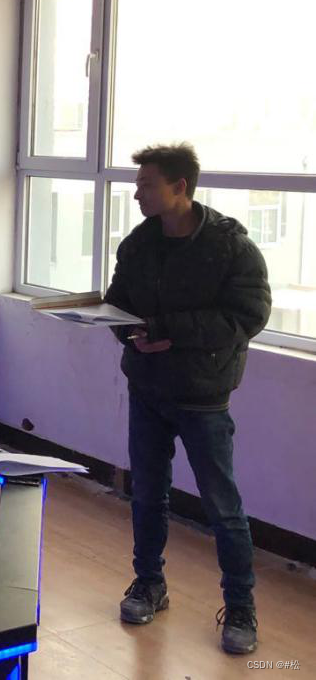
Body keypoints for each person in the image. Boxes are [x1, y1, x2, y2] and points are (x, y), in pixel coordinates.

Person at [104, 143, 271, 655]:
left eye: (146, 184)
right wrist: (129, 332)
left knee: (223, 506)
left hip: (203, 396)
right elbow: (117, 304)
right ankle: (149, 583)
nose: (136, 194)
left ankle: (240, 606)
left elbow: (247, 316)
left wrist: (169, 331)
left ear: (180, 187)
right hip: (148, 389)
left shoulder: (231, 248)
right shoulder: (139, 244)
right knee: (147, 494)